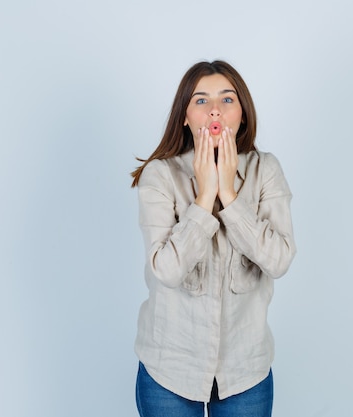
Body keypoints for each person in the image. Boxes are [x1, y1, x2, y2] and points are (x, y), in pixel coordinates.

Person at [130, 60, 296, 417]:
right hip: (168, 371)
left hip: (245, 373)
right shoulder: (159, 176)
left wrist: (230, 196)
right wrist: (205, 198)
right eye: (201, 101)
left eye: (227, 99)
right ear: (185, 117)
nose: (215, 109)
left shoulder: (266, 170)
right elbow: (168, 270)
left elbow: (280, 259)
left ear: (242, 114)